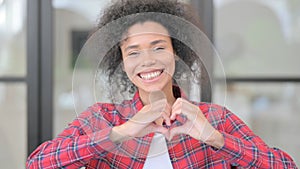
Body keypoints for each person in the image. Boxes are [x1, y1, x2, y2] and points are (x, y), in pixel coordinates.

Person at [26, 0, 297, 168]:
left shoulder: (215, 118)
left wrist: (214, 138)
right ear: (120, 60)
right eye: (133, 52)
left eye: (158, 47)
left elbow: (284, 166)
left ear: (176, 52)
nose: (147, 61)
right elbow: (38, 164)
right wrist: (124, 131)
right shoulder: (103, 118)